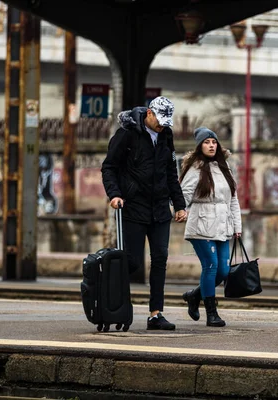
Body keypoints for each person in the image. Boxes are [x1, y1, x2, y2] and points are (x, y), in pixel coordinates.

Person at [101, 96, 187, 331]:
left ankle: (155, 314)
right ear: (149, 113)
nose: (162, 125)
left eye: (165, 122)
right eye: (159, 121)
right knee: (131, 262)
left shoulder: (166, 135)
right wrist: (115, 194)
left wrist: (179, 204)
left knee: (160, 259)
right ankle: (113, 305)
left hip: (159, 209)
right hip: (133, 206)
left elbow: (171, 172)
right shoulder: (127, 134)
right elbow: (109, 167)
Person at [179, 127, 242, 327]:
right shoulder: (195, 167)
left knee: (223, 271)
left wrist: (237, 226)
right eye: (206, 142)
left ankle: (194, 295)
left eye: (213, 142)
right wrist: (179, 209)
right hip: (202, 224)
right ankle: (211, 313)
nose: (211, 145)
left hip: (223, 226)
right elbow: (185, 193)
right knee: (211, 266)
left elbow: (233, 200)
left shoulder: (225, 167)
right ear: (200, 146)